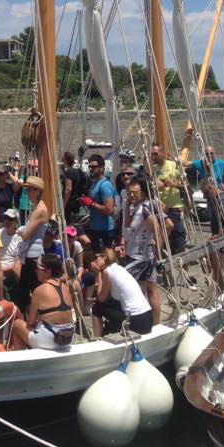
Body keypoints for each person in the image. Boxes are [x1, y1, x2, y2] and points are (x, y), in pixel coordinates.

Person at [122, 180, 172, 326]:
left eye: (135, 192)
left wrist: (158, 250)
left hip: (140, 258)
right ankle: (151, 323)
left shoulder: (145, 209)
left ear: (142, 193)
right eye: (129, 192)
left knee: (137, 290)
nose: (131, 195)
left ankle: (150, 323)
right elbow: (126, 224)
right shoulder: (137, 207)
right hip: (136, 255)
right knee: (148, 290)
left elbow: (161, 228)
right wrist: (126, 204)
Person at [10, 253, 75, 351]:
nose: (35, 271)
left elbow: (30, 322)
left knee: (17, 324)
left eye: (38, 268)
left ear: (47, 272)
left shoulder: (39, 290)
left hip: (51, 339)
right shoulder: (66, 288)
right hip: (68, 337)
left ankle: (19, 359)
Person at [90, 248, 153, 337]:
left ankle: (97, 339)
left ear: (104, 257)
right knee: (113, 303)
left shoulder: (106, 272)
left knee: (97, 307)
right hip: (148, 317)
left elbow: (101, 298)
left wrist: (98, 273)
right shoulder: (119, 268)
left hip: (136, 321)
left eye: (96, 258)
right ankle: (113, 328)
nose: (94, 261)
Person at [16, 175, 50, 310]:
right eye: (26, 190)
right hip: (33, 255)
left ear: (38, 191)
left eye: (30, 190)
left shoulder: (39, 211)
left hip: (32, 257)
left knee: (25, 293)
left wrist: (18, 230)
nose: (27, 193)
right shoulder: (39, 208)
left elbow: (25, 235)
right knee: (30, 291)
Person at [200, 178, 224, 287]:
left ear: (212, 189)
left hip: (222, 240)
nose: (204, 196)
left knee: (218, 270)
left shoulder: (221, 201)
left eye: (206, 193)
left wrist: (219, 235)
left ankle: (219, 293)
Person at [149, 144, 187, 254]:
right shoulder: (153, 170)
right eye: (152, 155)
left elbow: (187, 186)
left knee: (179, 247)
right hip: (158, 211)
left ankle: (182, 270)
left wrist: (175, 184)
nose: (153, 157)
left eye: (156, 154)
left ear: (163, 154)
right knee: (160, 246)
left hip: (174, 210)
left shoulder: (174, 166)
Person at [80, 154, 116, 250]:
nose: (91, 169)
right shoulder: (94, 184)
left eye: (94, 167)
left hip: (104, 230)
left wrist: (91, 203)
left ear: (102, 168)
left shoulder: (104, 185)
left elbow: (109, 210)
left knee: (103, 258)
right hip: (95, 228)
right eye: (90, 167)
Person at [61, 151, 87, 223]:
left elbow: (68, 190)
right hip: (77, 203)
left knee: (68, 225)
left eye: (62, 158)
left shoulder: (69, 172)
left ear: (65, 160)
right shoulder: (79, 171)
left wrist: (63, 205)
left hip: (70, 204)